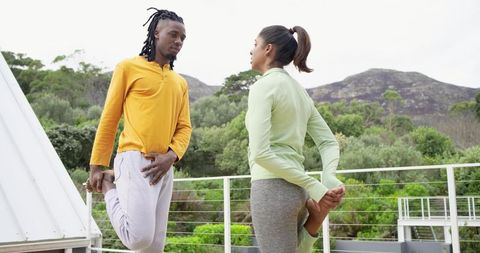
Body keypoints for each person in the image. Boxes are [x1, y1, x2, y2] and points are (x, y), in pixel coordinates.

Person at [87, 8, 191, 253]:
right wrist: (96, 166)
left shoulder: (180, 82)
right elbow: (109, 118)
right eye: (173, 34)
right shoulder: (128, 67)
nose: (178, 41)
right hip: (134, 160)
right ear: (156, 33)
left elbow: (184, 127)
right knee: (138, 239)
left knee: (154, 248)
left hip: (164, 167)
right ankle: (108, 185)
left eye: (182, 38)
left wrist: (171, 156)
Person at [246, 25, 345, 253]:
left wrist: (314, 184)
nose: (251, 50)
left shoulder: (262, 87)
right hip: (297, 193)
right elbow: (329, 142)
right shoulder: (299, 91)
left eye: (255, 44)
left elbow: (260, 153)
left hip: (271, 189)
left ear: (268, 49)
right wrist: (327, 176)